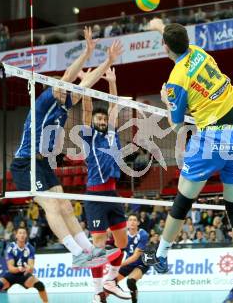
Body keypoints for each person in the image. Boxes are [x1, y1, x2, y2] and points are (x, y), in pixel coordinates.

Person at [141, 18, 233, 303]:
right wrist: (160, 27)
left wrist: (167, 101)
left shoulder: (176, 80)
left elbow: (178, 125)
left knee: (182, 200)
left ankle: (162, 256)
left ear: (164, 46)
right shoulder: (201, 52)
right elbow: (178, 41)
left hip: (210, 139)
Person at [10, 27, 123, 268]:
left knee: (65, 205)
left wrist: (107, 62)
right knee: (51, 204)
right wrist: (86, 53)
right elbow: (68, 78)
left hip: (43, 163)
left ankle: (90, 251)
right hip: (25, 163)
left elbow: (86, 85)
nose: (70, 89)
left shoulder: (64, 105)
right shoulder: (44, 102)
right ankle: (76, 253)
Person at [80, 67, 130, 301]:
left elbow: (113, 105)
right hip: (95, 197)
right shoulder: (89, 136)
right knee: (98, 246)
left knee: (122, 243)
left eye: (103, 118)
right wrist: (85, 84)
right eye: (98, 118)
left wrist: (112, 81)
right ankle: (97, 291)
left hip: (113, 194)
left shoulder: (112, 133)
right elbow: (87, 108)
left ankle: (111, 280)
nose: (101, 120)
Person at [0, 227, 48, 303]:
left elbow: (31, 267)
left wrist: (28, 268)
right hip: (12, 274)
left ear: (26, 235)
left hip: (24, 275)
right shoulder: (11, 247)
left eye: (24, 233)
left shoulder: (30, 248)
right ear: (16, 235)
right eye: (20, 233)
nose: (22, 235)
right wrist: (19, 269)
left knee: (40, 285)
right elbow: (10, 268)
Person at [113, 213, 150, 303]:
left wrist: (118, 265)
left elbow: (135, 257)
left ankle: (134, 299)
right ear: (127, 223)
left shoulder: (143, 234)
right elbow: (118, 249)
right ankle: (101, 299)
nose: (132, 222)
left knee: (130, 281)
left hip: (142, 263)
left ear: (138, 223)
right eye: (130, 220)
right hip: (129, 263)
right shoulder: (124, 235)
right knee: (111, 282)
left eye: (134, 220)